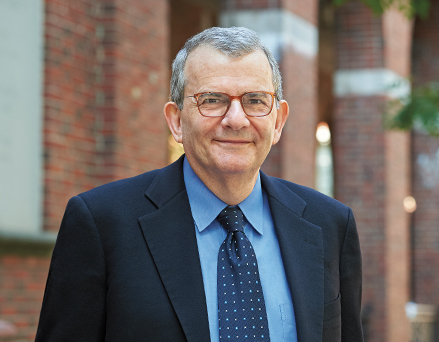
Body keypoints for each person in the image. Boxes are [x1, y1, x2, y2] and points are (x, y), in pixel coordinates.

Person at [35, 26, 363, 342]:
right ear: (176, 121)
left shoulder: (330, 225)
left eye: (255, 101)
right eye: (212, 100)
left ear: (277, 121)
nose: (236, 119)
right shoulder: (101, 224)